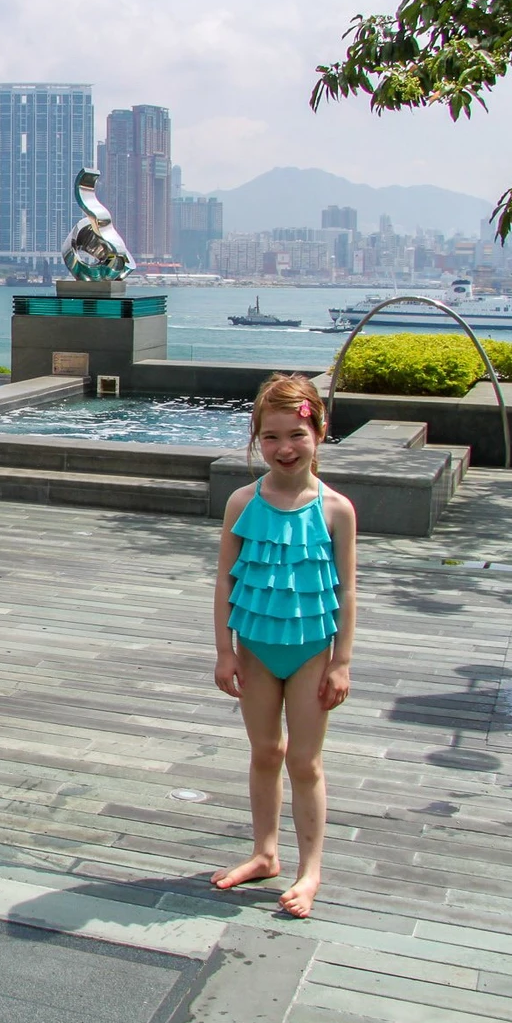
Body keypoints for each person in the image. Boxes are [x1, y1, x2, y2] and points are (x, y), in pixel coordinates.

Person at [210, 373, 356, 918]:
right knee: (265, 752)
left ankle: (309, 870)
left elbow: (347, 588)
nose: (283, 449)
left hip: (311, 649)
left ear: (318, 432)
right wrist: (225, 650)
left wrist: (341, 661)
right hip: (254, 647)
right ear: (255, 440)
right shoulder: (242, 502)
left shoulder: (336, 509)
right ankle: (265, 852)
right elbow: (225, 580)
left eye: (295, 435)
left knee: (305, 760)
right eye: (269, 438)